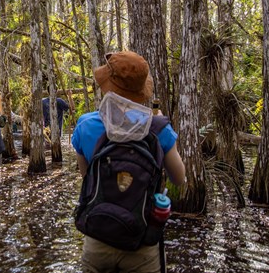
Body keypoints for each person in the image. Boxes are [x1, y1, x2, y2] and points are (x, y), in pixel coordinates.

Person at [71, 51, 186, 273]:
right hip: (141, 243)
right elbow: (179, 178)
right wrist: (160, 124)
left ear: (107, 87)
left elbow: (86, 177)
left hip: (98, 239)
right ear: (142, 91)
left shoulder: (85, 124)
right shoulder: (158, 129)